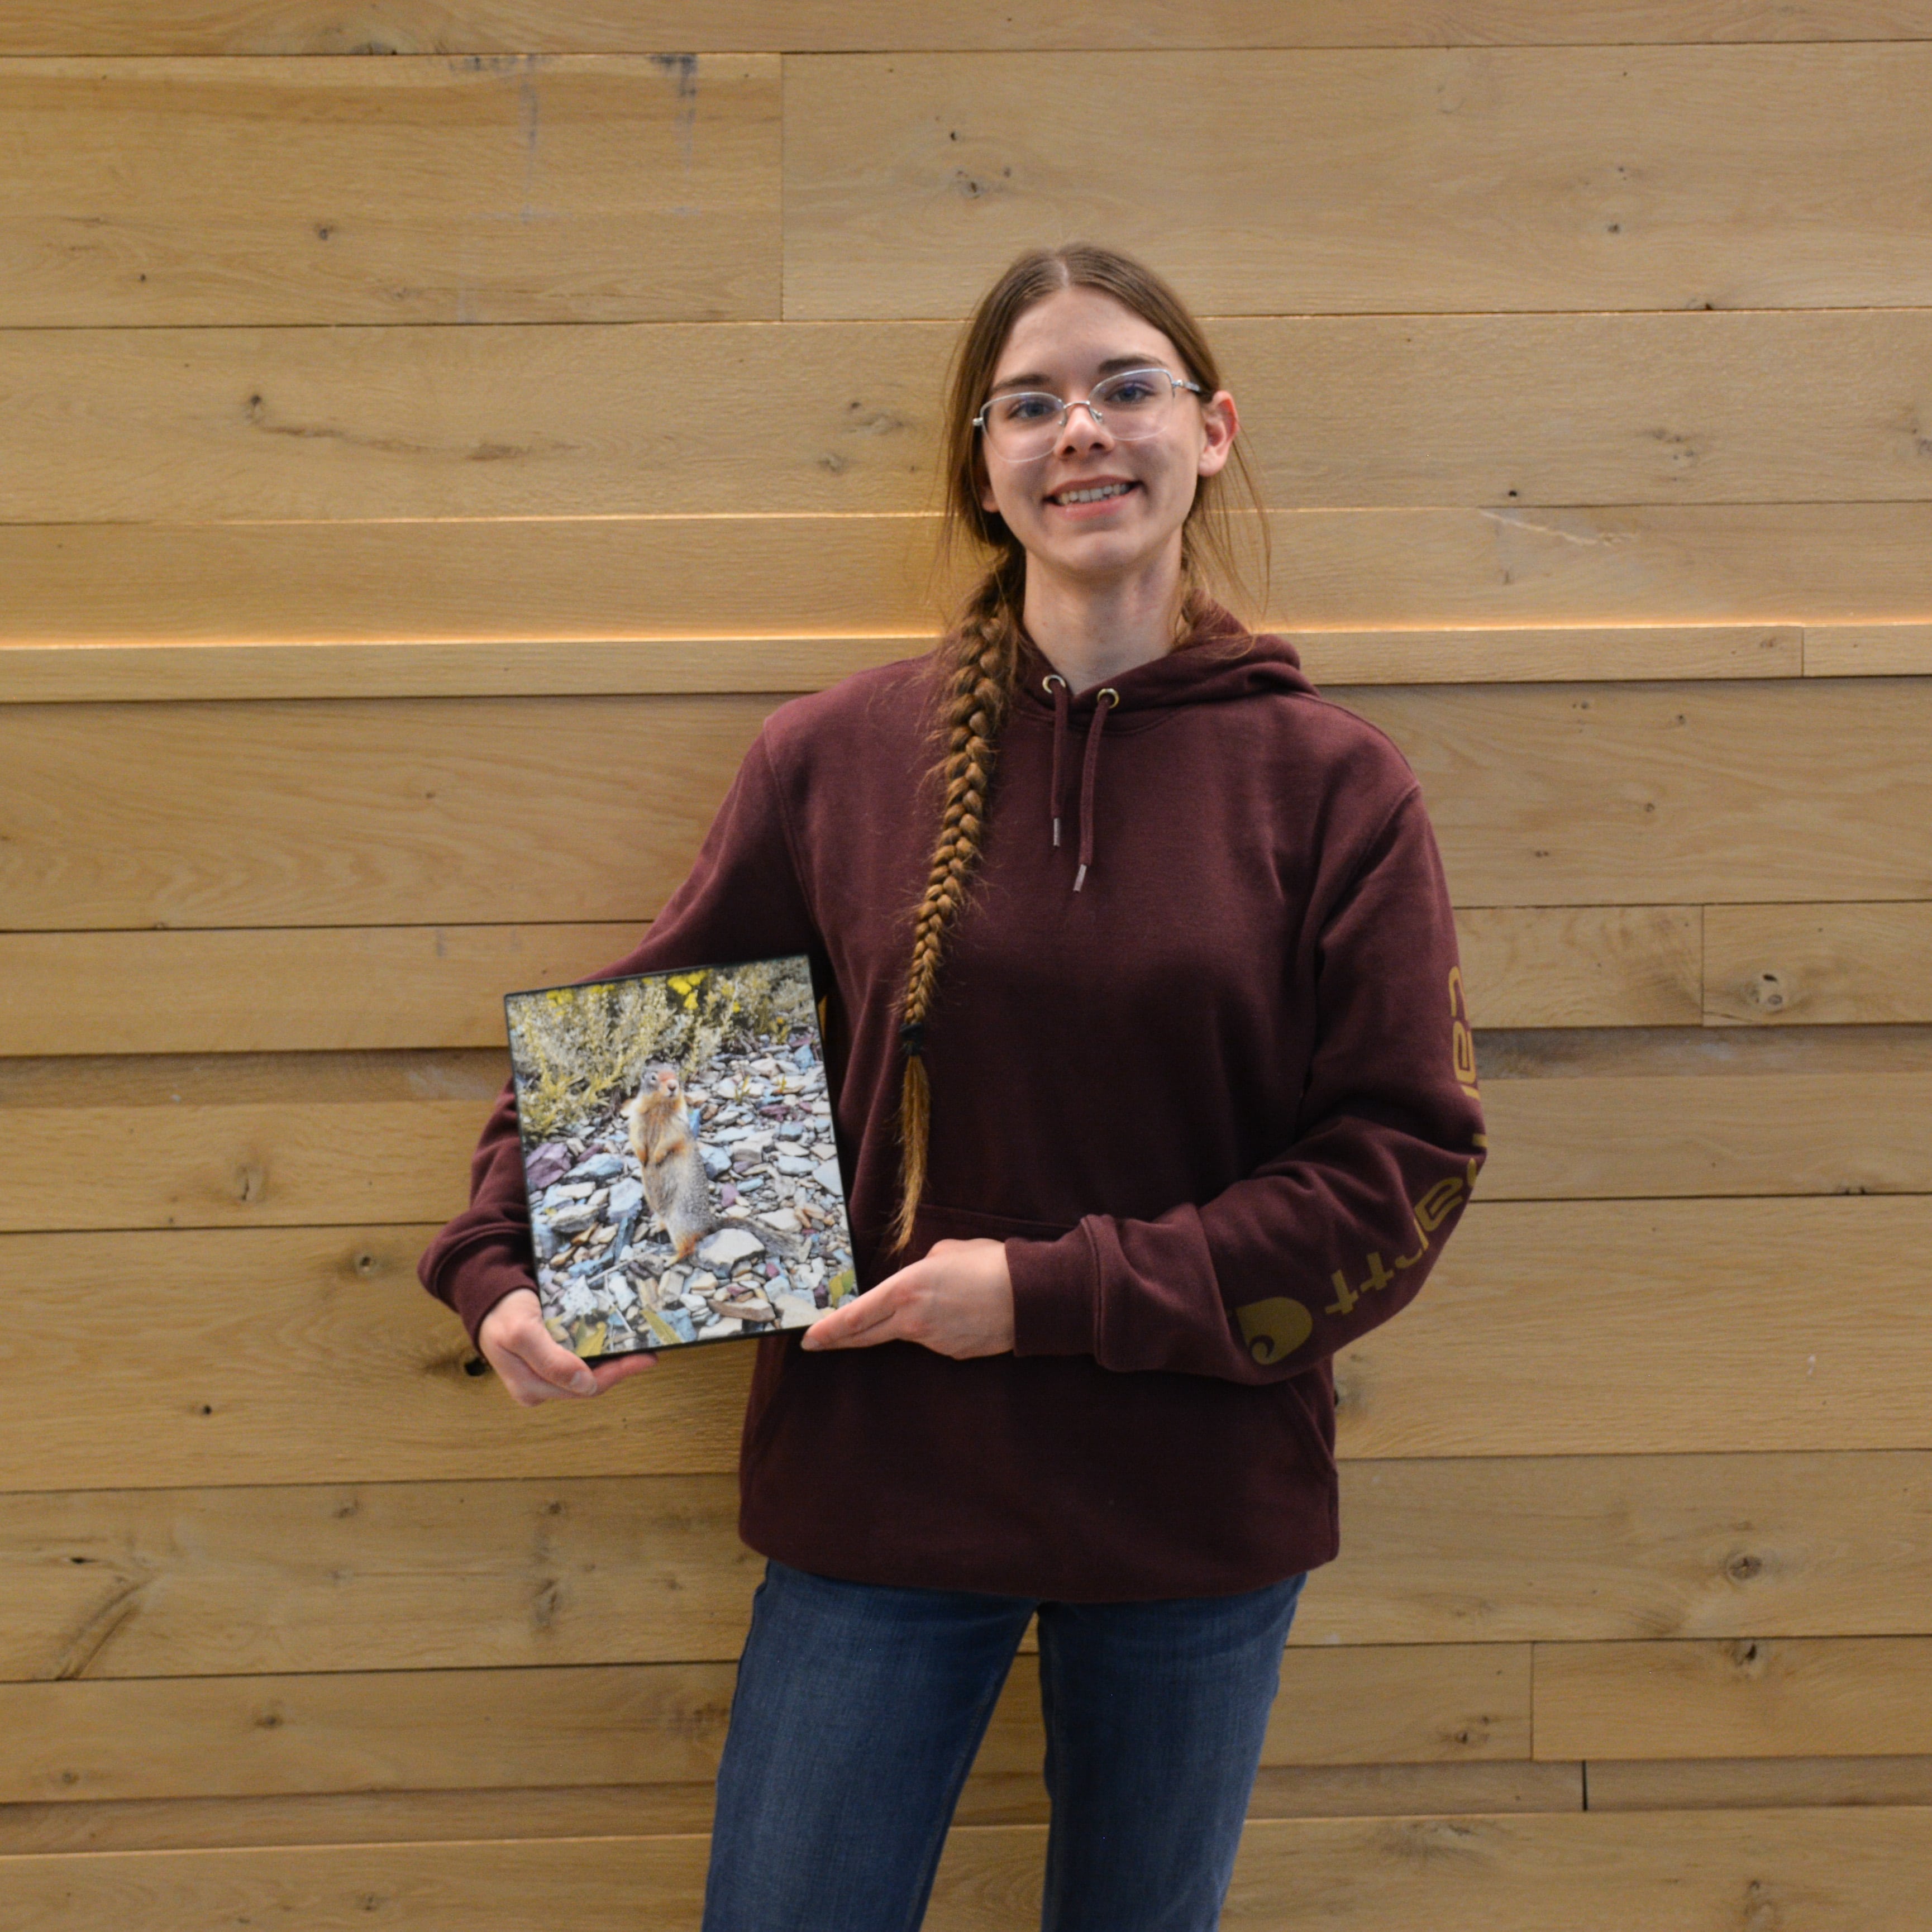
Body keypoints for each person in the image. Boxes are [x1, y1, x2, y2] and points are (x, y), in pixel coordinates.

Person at [418, 241, 1487, 1932]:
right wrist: (506, 1261)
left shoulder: (1334, 784)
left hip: (1195, 1506)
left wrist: (1042, 1294)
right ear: (983, 471)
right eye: (1030, 403)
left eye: (1124, 386)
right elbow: (661, 1060)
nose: (1081, 430)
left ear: (1210, 431)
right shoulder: (835, 756)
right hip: (880, 1481)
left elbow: (1397, 1167)